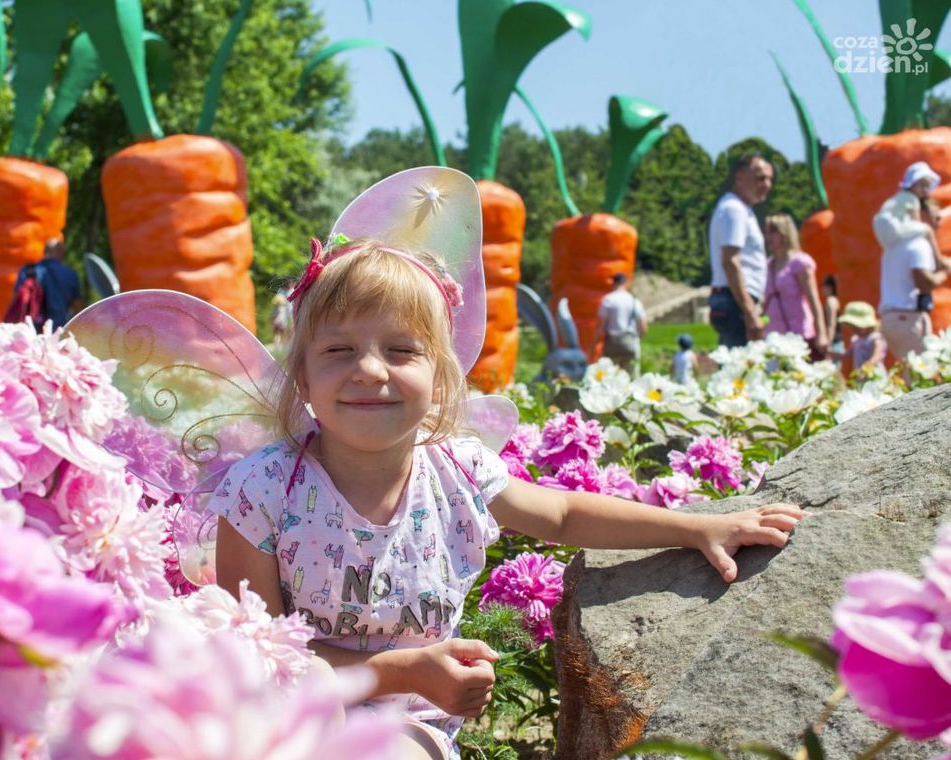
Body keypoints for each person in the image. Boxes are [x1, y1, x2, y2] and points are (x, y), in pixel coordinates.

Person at [209, 173, 803, 760]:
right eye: (339, 350)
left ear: (441, 376)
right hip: (291, 711)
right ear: (303, 375)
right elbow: (259, 656)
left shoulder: (457, 470)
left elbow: (566, 514)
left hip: (407, 727)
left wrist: (699, 527)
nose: (369, 370)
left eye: (400, 350)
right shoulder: (264, 491)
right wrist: (406, 668)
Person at [874, 161, 951, 362]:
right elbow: (924, 282)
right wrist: (945, 271)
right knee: (923, 381)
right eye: (935, 217)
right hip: (907, 318)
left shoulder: (894, 246)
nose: (939, 222)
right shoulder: (918, 243)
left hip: (892, 320)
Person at [708, 153, 775, 348]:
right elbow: (730, 260)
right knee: (740, 369)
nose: (767, 185)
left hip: (735, 299)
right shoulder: (734, 209)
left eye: (770, 179)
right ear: (740, 178)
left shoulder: (740, 209)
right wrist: (749, 310)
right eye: (760, 178)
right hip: (735, 301)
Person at [761, 213, 829, 360]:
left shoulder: (799, 262)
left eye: (773, 231)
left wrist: (821, 333)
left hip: (798, 331)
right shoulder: (769, 264)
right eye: (767, 231)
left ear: (785, 233)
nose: (769, 237)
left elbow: (813, 299)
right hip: (774, 333)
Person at [16, 238, 83, 329]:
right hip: (59, 330)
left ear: (44, 252)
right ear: (60, 252)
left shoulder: (28, 271)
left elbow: (18, 298)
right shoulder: (70, 274)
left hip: (32, 331)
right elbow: (77, 307)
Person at [594, 272, 647, 373]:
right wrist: (638, 338)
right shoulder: (634, 301)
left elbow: (601, 326)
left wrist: (594, 344)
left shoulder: (608, 300)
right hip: (630, 343)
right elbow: (643, 326)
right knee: (631, 377)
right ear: (625, 283)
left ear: (613, 283)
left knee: (609, 376)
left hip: (612, 344)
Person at [836, 301, 887, 377]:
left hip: (875, 377)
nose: (853, 329)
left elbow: (877, 356)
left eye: (856, 327)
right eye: (851, 326)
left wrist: (866, 368)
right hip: (860, 376)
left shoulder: (875, 338)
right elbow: (846, 356)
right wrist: (828, 353)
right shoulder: (856, 340)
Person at [821, 275, 843, 359]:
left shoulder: (831, 301)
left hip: (834, 342)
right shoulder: (835, 300)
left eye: (823, 286)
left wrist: (828, 344)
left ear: (829, 287)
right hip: (837, 341)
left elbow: (831, 324)